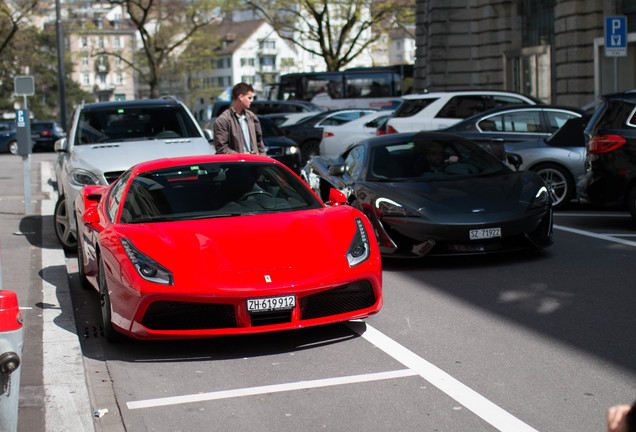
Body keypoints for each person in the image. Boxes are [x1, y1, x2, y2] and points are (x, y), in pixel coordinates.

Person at [213, 82, 266, 156]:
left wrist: (262, 160)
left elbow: (260, 144)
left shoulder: (251, 117)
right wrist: (242, 156)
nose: (251, 100)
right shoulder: (223, 120)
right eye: (249, 98)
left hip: (254, 164)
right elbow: (221, 148)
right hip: (235, 165)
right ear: (241, 97)